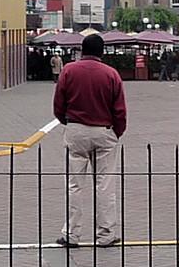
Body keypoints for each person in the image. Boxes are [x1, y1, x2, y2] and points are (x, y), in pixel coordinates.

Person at [53, 31, 127, 247]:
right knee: (105, 185)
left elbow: (59, 104)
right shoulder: (111, 74)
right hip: (104, 131)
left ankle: (71, 234)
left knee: (74, 185)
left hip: (76, 130)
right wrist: (116, 132)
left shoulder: (68, 71)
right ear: (101, 52)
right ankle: (105, 234)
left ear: (82, 50)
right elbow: (120, 110)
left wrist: (67, 122)